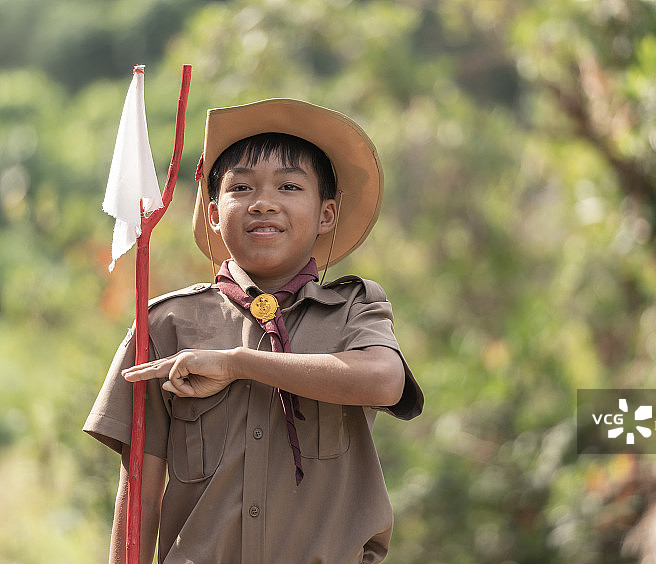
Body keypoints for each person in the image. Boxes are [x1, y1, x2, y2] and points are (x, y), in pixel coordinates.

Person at [84, 98, 424, 564]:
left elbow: (386, 380)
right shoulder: (165, 325)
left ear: (326, 214)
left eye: (288, 186)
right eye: (241, 187)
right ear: (213, 213)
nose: (263, 203)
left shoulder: (354, 309)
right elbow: (139, 492)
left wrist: (239, 363)